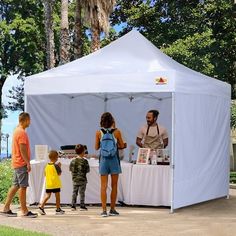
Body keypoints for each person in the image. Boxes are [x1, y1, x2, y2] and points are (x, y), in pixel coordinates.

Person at [0, 112, 38, 218]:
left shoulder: (16, 131)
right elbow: (22, 149)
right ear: (25, 120)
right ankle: (24, 211)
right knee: (23, 187)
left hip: (16, 162)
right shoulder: (22, 132)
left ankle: (6, 208)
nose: (30, 122)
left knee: (15, 185)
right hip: (21, 163)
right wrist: (27, 162)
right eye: (29, 120)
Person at [95, 112, 126, 217]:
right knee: (114, 185)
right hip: (114, 160)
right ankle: (112, 209)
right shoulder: (117, 132)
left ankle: (104, 210)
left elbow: (96, 147)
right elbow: (121, 145)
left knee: (103, 186)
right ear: (112, 120)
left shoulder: (98, 133)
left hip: (103, 160)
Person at [38, 150, 65, 215]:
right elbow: (59, 174)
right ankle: (58, 209)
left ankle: (41, 207)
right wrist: (59, 166)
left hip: (49, 184)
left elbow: (45, 174)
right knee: (57, 197)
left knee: (47, 196)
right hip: (55, 184)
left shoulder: (47, 166)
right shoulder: (56, 166)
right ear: (56, 158)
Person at [69, 144, 90, 211]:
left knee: (74, 192)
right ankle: (82, 206)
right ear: (83, 152)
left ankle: (73, 206)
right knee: (82, 193)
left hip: (75, 180)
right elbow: (88, 170)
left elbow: (70, 169)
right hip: (83, 180)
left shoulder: (72, 161)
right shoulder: (85, 161)